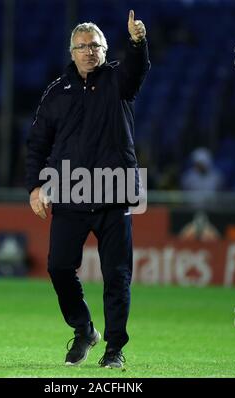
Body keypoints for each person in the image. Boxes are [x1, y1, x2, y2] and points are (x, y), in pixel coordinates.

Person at [26, 10, 150, 368]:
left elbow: (137, 70)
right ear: (71, 51)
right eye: (81, 46)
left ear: (105, 48)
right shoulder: (56, 92)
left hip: (115, 192)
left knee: (117, 275)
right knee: (59, 267)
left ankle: (114, 349)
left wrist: (138, 43)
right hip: (70, 191)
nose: (88, 51)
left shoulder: (118, 79)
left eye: (95, 45)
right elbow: (37, 144)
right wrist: (36, 186)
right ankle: (84, 329)